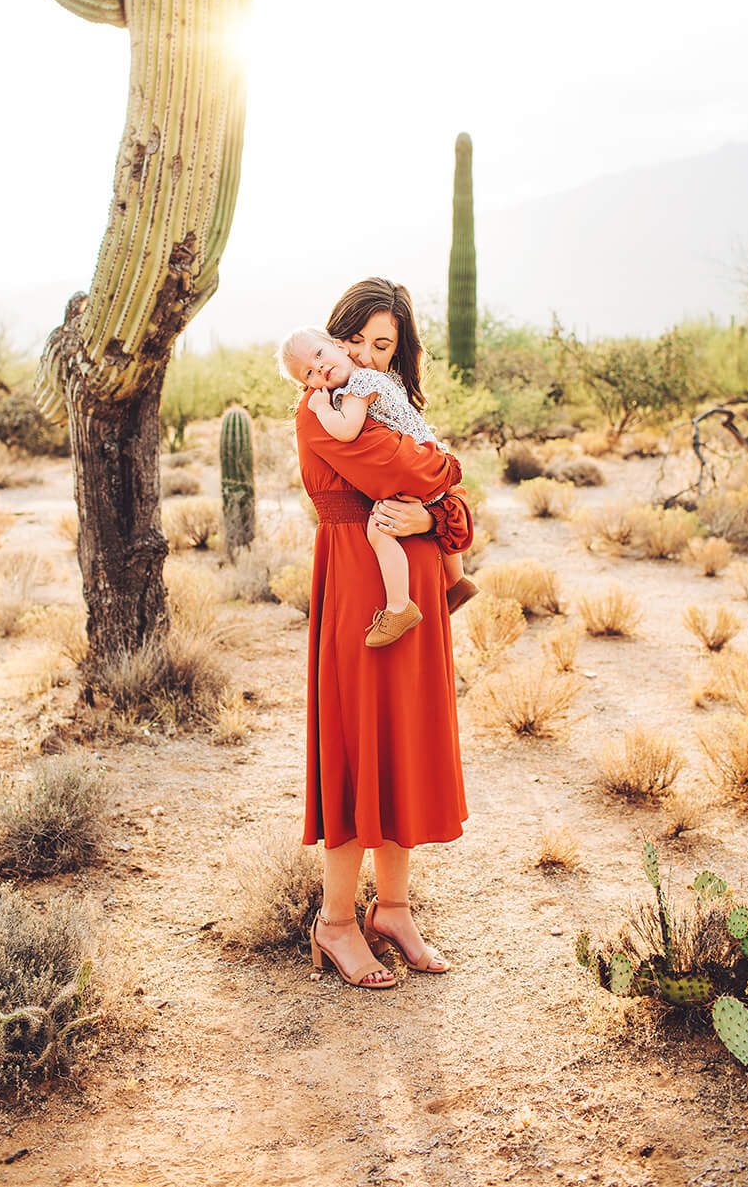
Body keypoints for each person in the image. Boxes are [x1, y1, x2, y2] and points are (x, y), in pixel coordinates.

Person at [295, 278, 475, 989]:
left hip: (415, 608)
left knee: (400, 748)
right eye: (356, 340)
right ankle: (336, 922)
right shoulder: (324, 413)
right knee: (356, 749)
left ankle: (392, 910)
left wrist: (433, 519)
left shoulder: (387, 408)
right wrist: (446, 470)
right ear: (333, 339)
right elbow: (409, 468)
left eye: (384, 345)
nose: (367, 355)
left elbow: (456, 511)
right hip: (359, 603)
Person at [277, 325, 475, 647]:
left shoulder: (357, 385)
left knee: (380, 530)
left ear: (337, 347)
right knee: (436, 505)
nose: (320, 369)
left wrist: (325, 407)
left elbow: (346, 430)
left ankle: (399, 606)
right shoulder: (382, 381)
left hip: (424, 465)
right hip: (433, 455)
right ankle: (457, 581)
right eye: (309, 373)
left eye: (319, 355)